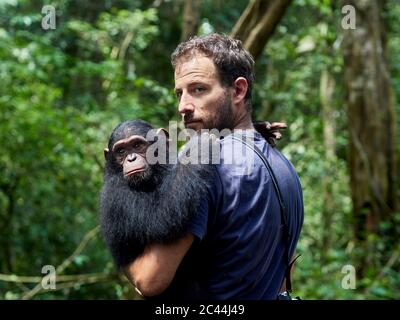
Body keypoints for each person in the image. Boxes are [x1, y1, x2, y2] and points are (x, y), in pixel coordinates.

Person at [124, 33, 304, 300]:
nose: (183, 106)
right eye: (179, 93)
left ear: (238, 90)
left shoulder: (202, 160)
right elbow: (279, 281)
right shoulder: (284, 166)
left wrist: (117, 234)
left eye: (198, 89)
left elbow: (149, 280)